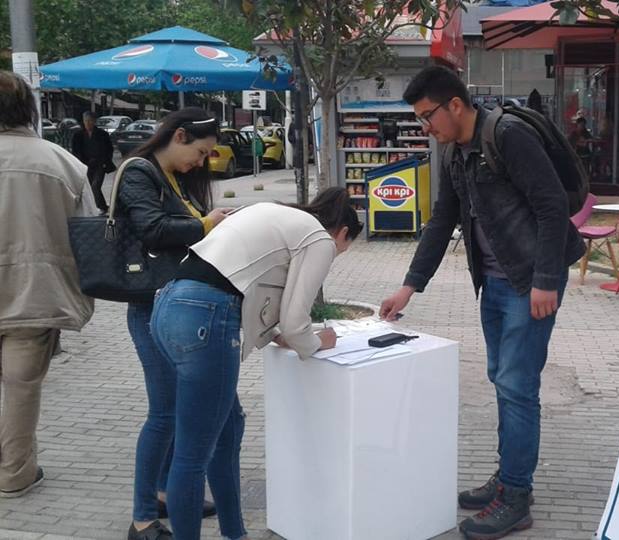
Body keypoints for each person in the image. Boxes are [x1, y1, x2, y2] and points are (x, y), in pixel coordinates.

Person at [379, 66, 585, 539]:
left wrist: (546, 279)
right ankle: (509, 476)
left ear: (455, 105)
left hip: (529, 282)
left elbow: (552, 205)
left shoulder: (507, 135)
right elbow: (442, 220)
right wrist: (410, 285)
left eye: (427, 116)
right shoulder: (455, 151)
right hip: (493, 282)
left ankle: (516, 495)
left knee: (517, 385)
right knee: (502, 380)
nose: (425, 127)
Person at [149, 189, 362, 540]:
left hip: (168, 305)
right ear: (342, 233)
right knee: (192, 455)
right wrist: (316, 342)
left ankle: (236, 533)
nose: (334, 255)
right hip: (205, 317)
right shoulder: (320, 239)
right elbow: (295, 321)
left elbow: (243, 282)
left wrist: (276, 333)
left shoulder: (272, 213)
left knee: (228, 428)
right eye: (342, 249)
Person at [116, 107, 232, 540]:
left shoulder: (174, 178)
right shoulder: (139, 172)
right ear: (179, 135)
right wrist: (205, 223)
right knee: (164, 412)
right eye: (200, 152)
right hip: (150, 305)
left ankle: (166, 492)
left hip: (176, 303)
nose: (201, 162)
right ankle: (142, 517)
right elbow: (152, 229)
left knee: (179, 408)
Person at [0, 71, 96, 498]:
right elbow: (88, 234)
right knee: (21, 390)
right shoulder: (63, 164)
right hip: (35, 295)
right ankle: (15, 473)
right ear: (31, 109)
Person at [71, 111, 115, 213]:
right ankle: (100, 206)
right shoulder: (78, 135)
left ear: (94, 121)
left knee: (95, 185)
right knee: (89, 187)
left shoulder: (102, 134)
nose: (88, 123)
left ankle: (101, 207)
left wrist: (106, 161)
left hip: (99, 164)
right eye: (86, 121)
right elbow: (75, 151)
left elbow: (109, 149)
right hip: (85, 165)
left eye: (90, 121)